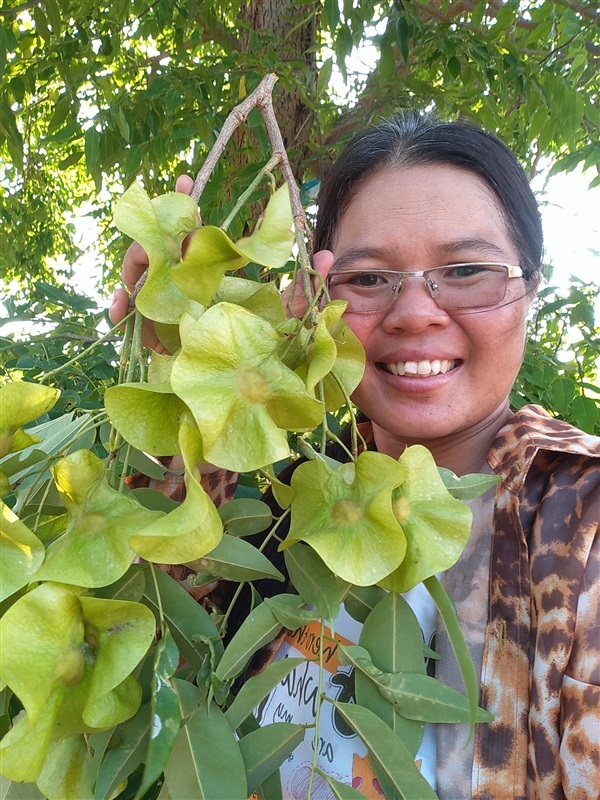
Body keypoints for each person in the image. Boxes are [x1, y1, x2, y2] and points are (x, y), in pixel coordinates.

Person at [110, 111, 600, 799]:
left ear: (530, 293)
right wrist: (179, 376)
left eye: (465, 270)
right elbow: (149, 668)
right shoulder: (276, 506)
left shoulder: (582, 519)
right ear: (314, 300)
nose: (414, 313)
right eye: (369, 279)